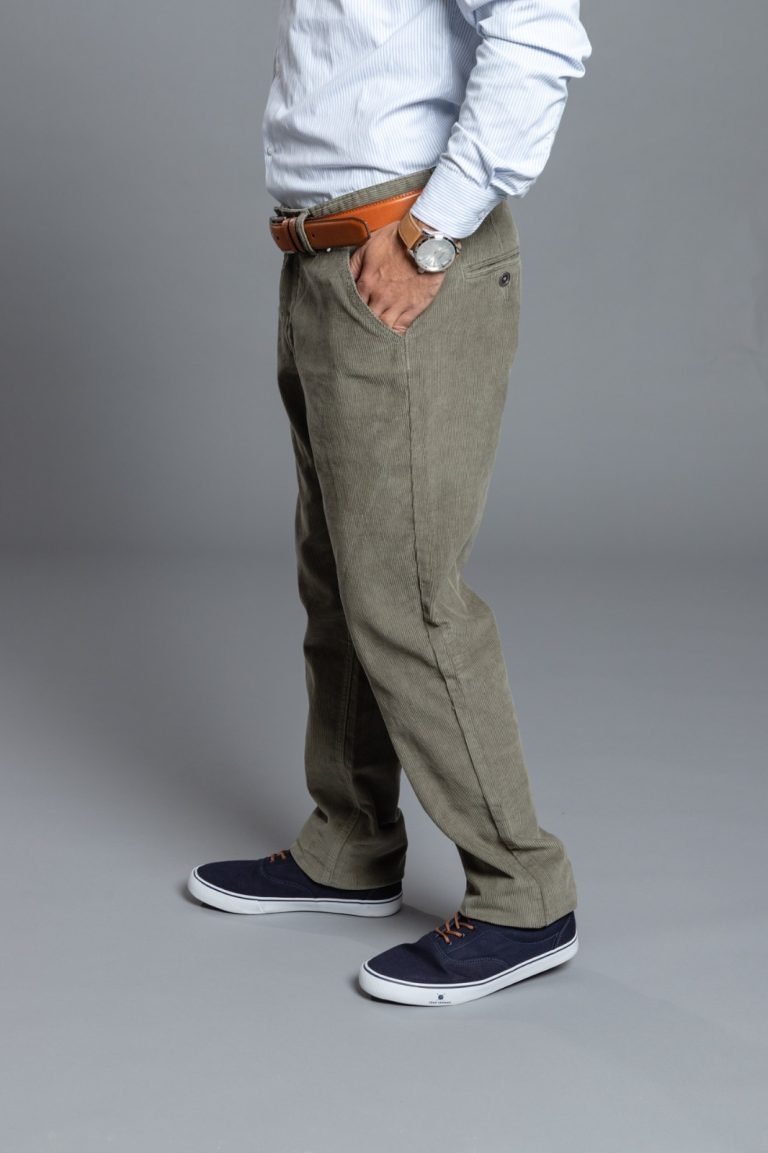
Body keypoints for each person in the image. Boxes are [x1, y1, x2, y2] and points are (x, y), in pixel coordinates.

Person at [188, 0, 592, 1007]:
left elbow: (538, 32)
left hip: (402, 252)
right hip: (324, 258)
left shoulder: (417, 245)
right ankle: (351, 843)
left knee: (406, 597)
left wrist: (429, 237)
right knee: (339, 576)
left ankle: (523, 893)